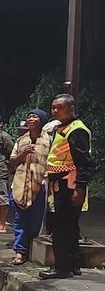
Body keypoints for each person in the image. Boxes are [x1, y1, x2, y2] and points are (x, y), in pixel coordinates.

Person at [40, 94, 91, 280]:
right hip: (60, 182)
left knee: (62, 226)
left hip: (69, 182)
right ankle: (72, 264)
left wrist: (80, 188)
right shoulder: (61, 128)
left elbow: (83, 162)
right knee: (68, 226)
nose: (54, 111)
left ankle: (61, 267)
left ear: (70, 108)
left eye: (59, 107)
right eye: (53, 107)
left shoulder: (77, 130)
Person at [8, 109, 50, 265]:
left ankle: (30, 248)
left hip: (40, 184)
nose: (31, 119)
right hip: (20, 184)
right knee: (19, 219)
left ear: (42, 120)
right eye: (29, 116)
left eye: (35, 117)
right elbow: (11, 163)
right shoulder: (20, 140)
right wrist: (23, 154)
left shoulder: (49, 140)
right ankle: (19, 251)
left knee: (36, 220)